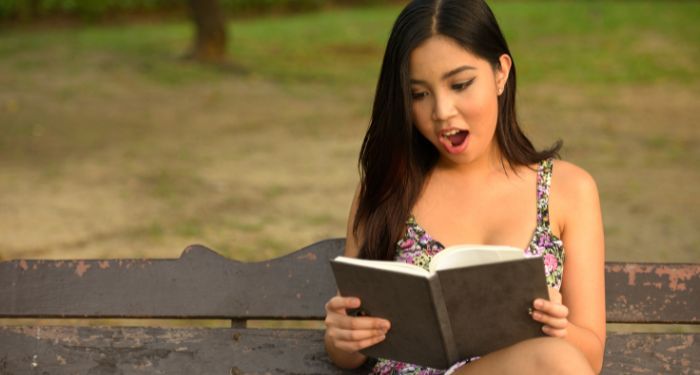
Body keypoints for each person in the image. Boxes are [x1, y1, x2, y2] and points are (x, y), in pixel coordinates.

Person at [323, 0, 606, 374]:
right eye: (419, 94)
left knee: (555, 358)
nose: (441, 112)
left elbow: (590, 357)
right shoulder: (387, 188)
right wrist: (342, 338)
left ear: (501, 73)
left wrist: (558, 329)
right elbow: (348, 352)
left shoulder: (569, 190)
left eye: (460, 84)